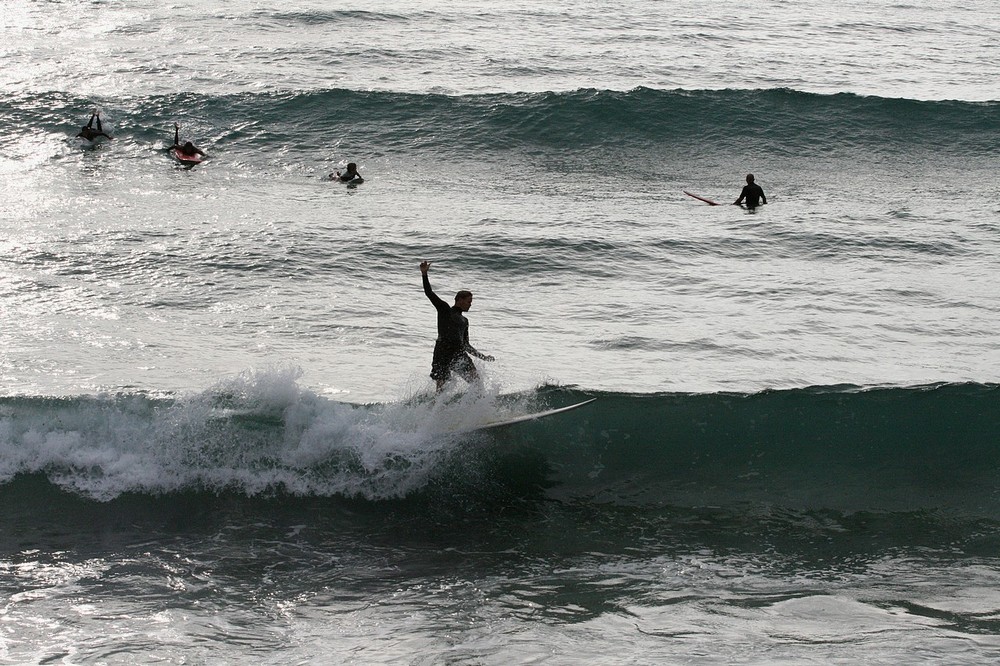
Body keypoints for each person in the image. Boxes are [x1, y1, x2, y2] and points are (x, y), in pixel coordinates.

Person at [420, 261, 494, 391]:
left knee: (477, 383)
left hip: (458, 353)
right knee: (441, 389)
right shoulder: (444, 309)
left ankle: (474, 406)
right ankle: (437, 409)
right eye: (468, 301)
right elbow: (429, 293)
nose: (470, 304)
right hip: (443, 351)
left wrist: (483, 357)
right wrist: (424, 274)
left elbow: (466, 345)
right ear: (459, 300)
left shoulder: (464, 321)